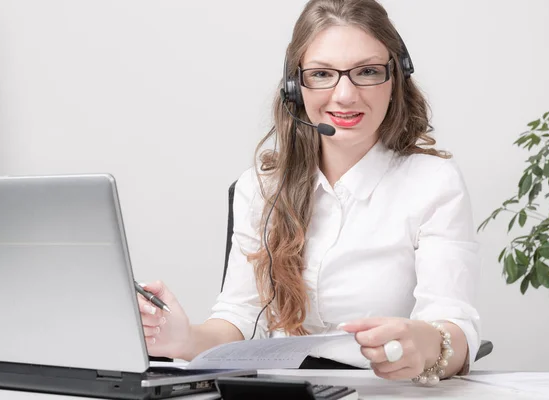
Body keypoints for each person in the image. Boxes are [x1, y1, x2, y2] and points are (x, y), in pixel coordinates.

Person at [138, 0, 480, 385]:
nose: (345, 95)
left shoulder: (433, 182)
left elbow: (454, 326)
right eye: (322, 74)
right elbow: (238, 318)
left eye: (367, 71)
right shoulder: (261, 188)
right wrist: (183, 338)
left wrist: (428, 343)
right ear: (294, 86)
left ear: (396, 77)